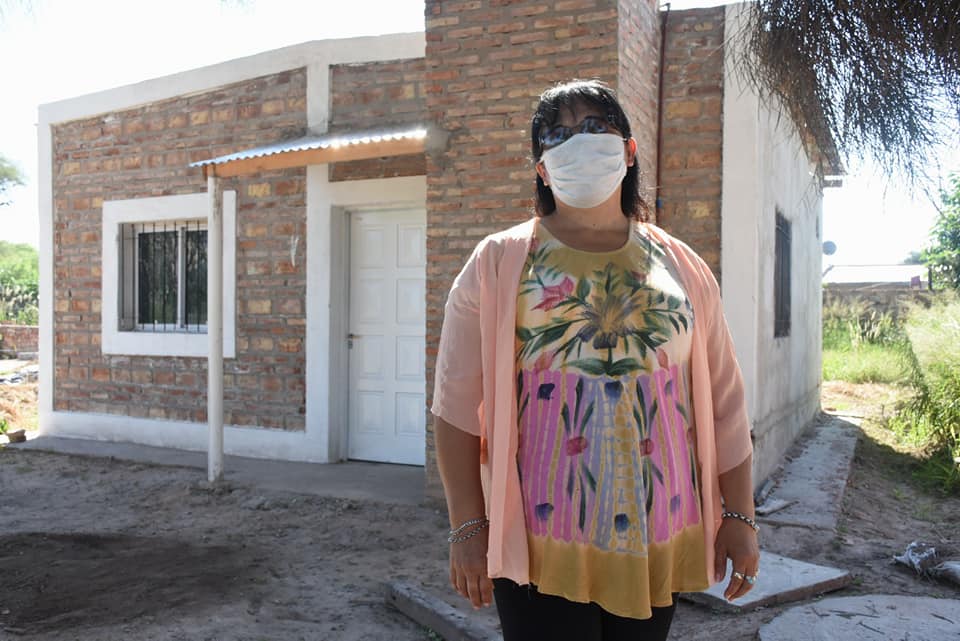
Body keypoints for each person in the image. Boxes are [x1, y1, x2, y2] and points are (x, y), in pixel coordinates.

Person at [431, 79, 759, 641]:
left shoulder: (682, 266)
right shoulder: (498, 263)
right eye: (556, 134)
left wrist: (739, 514)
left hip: (660, 532)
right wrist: (468, 525)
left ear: (629, 151)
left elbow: (726, 402)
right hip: (541, 541)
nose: (576, 141)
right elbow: (456, 406)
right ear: (541, 168)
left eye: (593, 127)